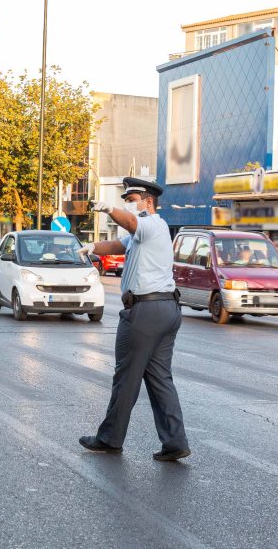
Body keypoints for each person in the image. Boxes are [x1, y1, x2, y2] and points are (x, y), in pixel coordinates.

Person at [77, 177, 190, 461]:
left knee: (126, 377)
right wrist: (93, 248)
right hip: (166, 310)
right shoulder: (150, 232)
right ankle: (175, 442)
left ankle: (110, 438)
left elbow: (129, 223)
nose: (129, 203)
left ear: (148, 201)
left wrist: (109, 209)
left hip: (145, 312)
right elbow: (119, 243)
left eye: (132, 199)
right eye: (126, 200)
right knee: (160, 379)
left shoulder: (151, 224)